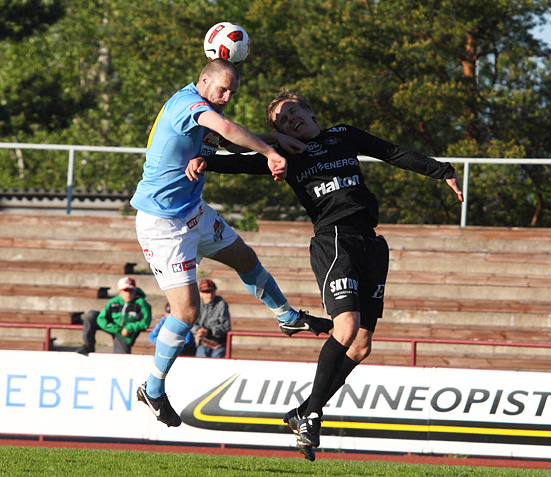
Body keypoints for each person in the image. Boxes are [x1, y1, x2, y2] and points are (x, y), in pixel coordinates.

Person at [186, 89, 464, 460]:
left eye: (293, 112)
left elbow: (391, 151)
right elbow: (237, 161)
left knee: (361, 346)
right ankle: (312, 413)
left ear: (311, 113)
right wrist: (203, 160)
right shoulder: (284, 155)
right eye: (281, 121)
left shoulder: (343, 135)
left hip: (371, 244)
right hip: (335, 241)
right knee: (345, 329)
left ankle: (303, 411)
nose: (289, 120)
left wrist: (441, 170)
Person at [130, 60, 332, 428]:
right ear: (203, 80)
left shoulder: (207, 113)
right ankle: (153, 389)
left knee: (245, 258)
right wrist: (271, 153)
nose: (226, 98)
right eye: (221, 90)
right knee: (187, 313)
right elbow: (223, 127)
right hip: (163, 225)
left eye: (231, 93)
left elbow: (226, 140)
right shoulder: (187, 104)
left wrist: (274, 140)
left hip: (194, 212)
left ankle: (287, 318)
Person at [75, 277, 152, 355]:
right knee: (91, 315)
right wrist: (114, 328)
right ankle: (88, 345)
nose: (128, 294)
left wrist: (128, 328)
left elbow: (145, 322)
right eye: (125, 291)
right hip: (114, 327)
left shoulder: (141, 303)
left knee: (120, 357)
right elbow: (101, 318)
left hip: (125, 334)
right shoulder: (114, 302)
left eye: (131, 290)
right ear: (120, 291)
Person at [192, 279, 231, 358]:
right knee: (199, 365)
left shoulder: (221, 304)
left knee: (216, 368)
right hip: (203, 343)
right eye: (206, 292)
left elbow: (226, 327)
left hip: (219, 345)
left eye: (212, 292)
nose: (209, 295)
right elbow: (192, 322)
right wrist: (198, 331)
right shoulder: (197, 304)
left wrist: (209, 332)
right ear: (200, 293)